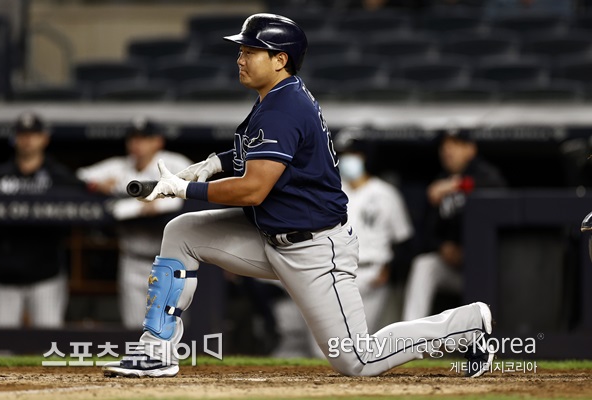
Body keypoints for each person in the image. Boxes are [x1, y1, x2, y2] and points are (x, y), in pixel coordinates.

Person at [102, 13, 494, 379]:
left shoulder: (284, 107)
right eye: (242, 50)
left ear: (280, 60)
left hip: (314, 249)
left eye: (250, 51)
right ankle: (156, 350)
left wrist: (186, 189)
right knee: (182, 232)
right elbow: (254, 152)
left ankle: (468, 325)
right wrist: (215, 163)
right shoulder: (275, 97)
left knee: (357, 359)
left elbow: (253, 189)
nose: (240, 59)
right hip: (269, 235)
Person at [267, 130, 415, 358]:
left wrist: (391, 269)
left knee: (361, 347)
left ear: (366, 157)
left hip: (371, 275)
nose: (347, 159)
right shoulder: (328, 190)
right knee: (323, 350)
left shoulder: (386, 194)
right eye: (343, 154)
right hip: (330, 272)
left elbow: (405, 241)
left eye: (353, 153)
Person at [76, 117, 192, 329]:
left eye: (144, 138)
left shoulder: (174, 163)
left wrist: (155, 204)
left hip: (168, 261)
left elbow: (189, 192)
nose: (137, 144)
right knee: (134, 328)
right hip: (132, 258)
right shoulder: (119, 166)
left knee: (170, 327)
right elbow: (81, 176)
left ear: (158, 141)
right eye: (133, 138)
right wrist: (97, 186)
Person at [0, 111, 86, 328]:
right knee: (1, 343)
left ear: (44, 138)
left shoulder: (59, 176)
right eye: (22, 134)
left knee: (49, 340)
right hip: (5, 274)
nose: (27, 140)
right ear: (14, 138)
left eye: (33, 134)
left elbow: (86, 204)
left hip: (47, 274)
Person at [402, 128, 507, 321]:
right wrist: (442, 247)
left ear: (471, 149)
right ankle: (410, 332)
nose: (447, 150)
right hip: (457, 270)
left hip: (487, 270)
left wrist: (455, 185)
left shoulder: (485, 174)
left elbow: (496, 189)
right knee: (424, 265)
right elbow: (427, 232)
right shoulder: (439, 181)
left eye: (455, 145)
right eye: (444, 146)